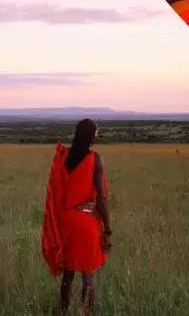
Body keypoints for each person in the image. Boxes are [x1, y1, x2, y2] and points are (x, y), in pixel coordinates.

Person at [42, 119, 111, 316]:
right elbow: (102, 198)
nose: (97, 135)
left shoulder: (63, 158)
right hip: (86, 221)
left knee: (68, 275)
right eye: (96, 133)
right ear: (91, 136)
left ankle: (62, 311)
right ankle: (86, 313)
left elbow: (57, 191)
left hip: (67, 221)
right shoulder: (95, 159)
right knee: (88, 275)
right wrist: (107, 229)